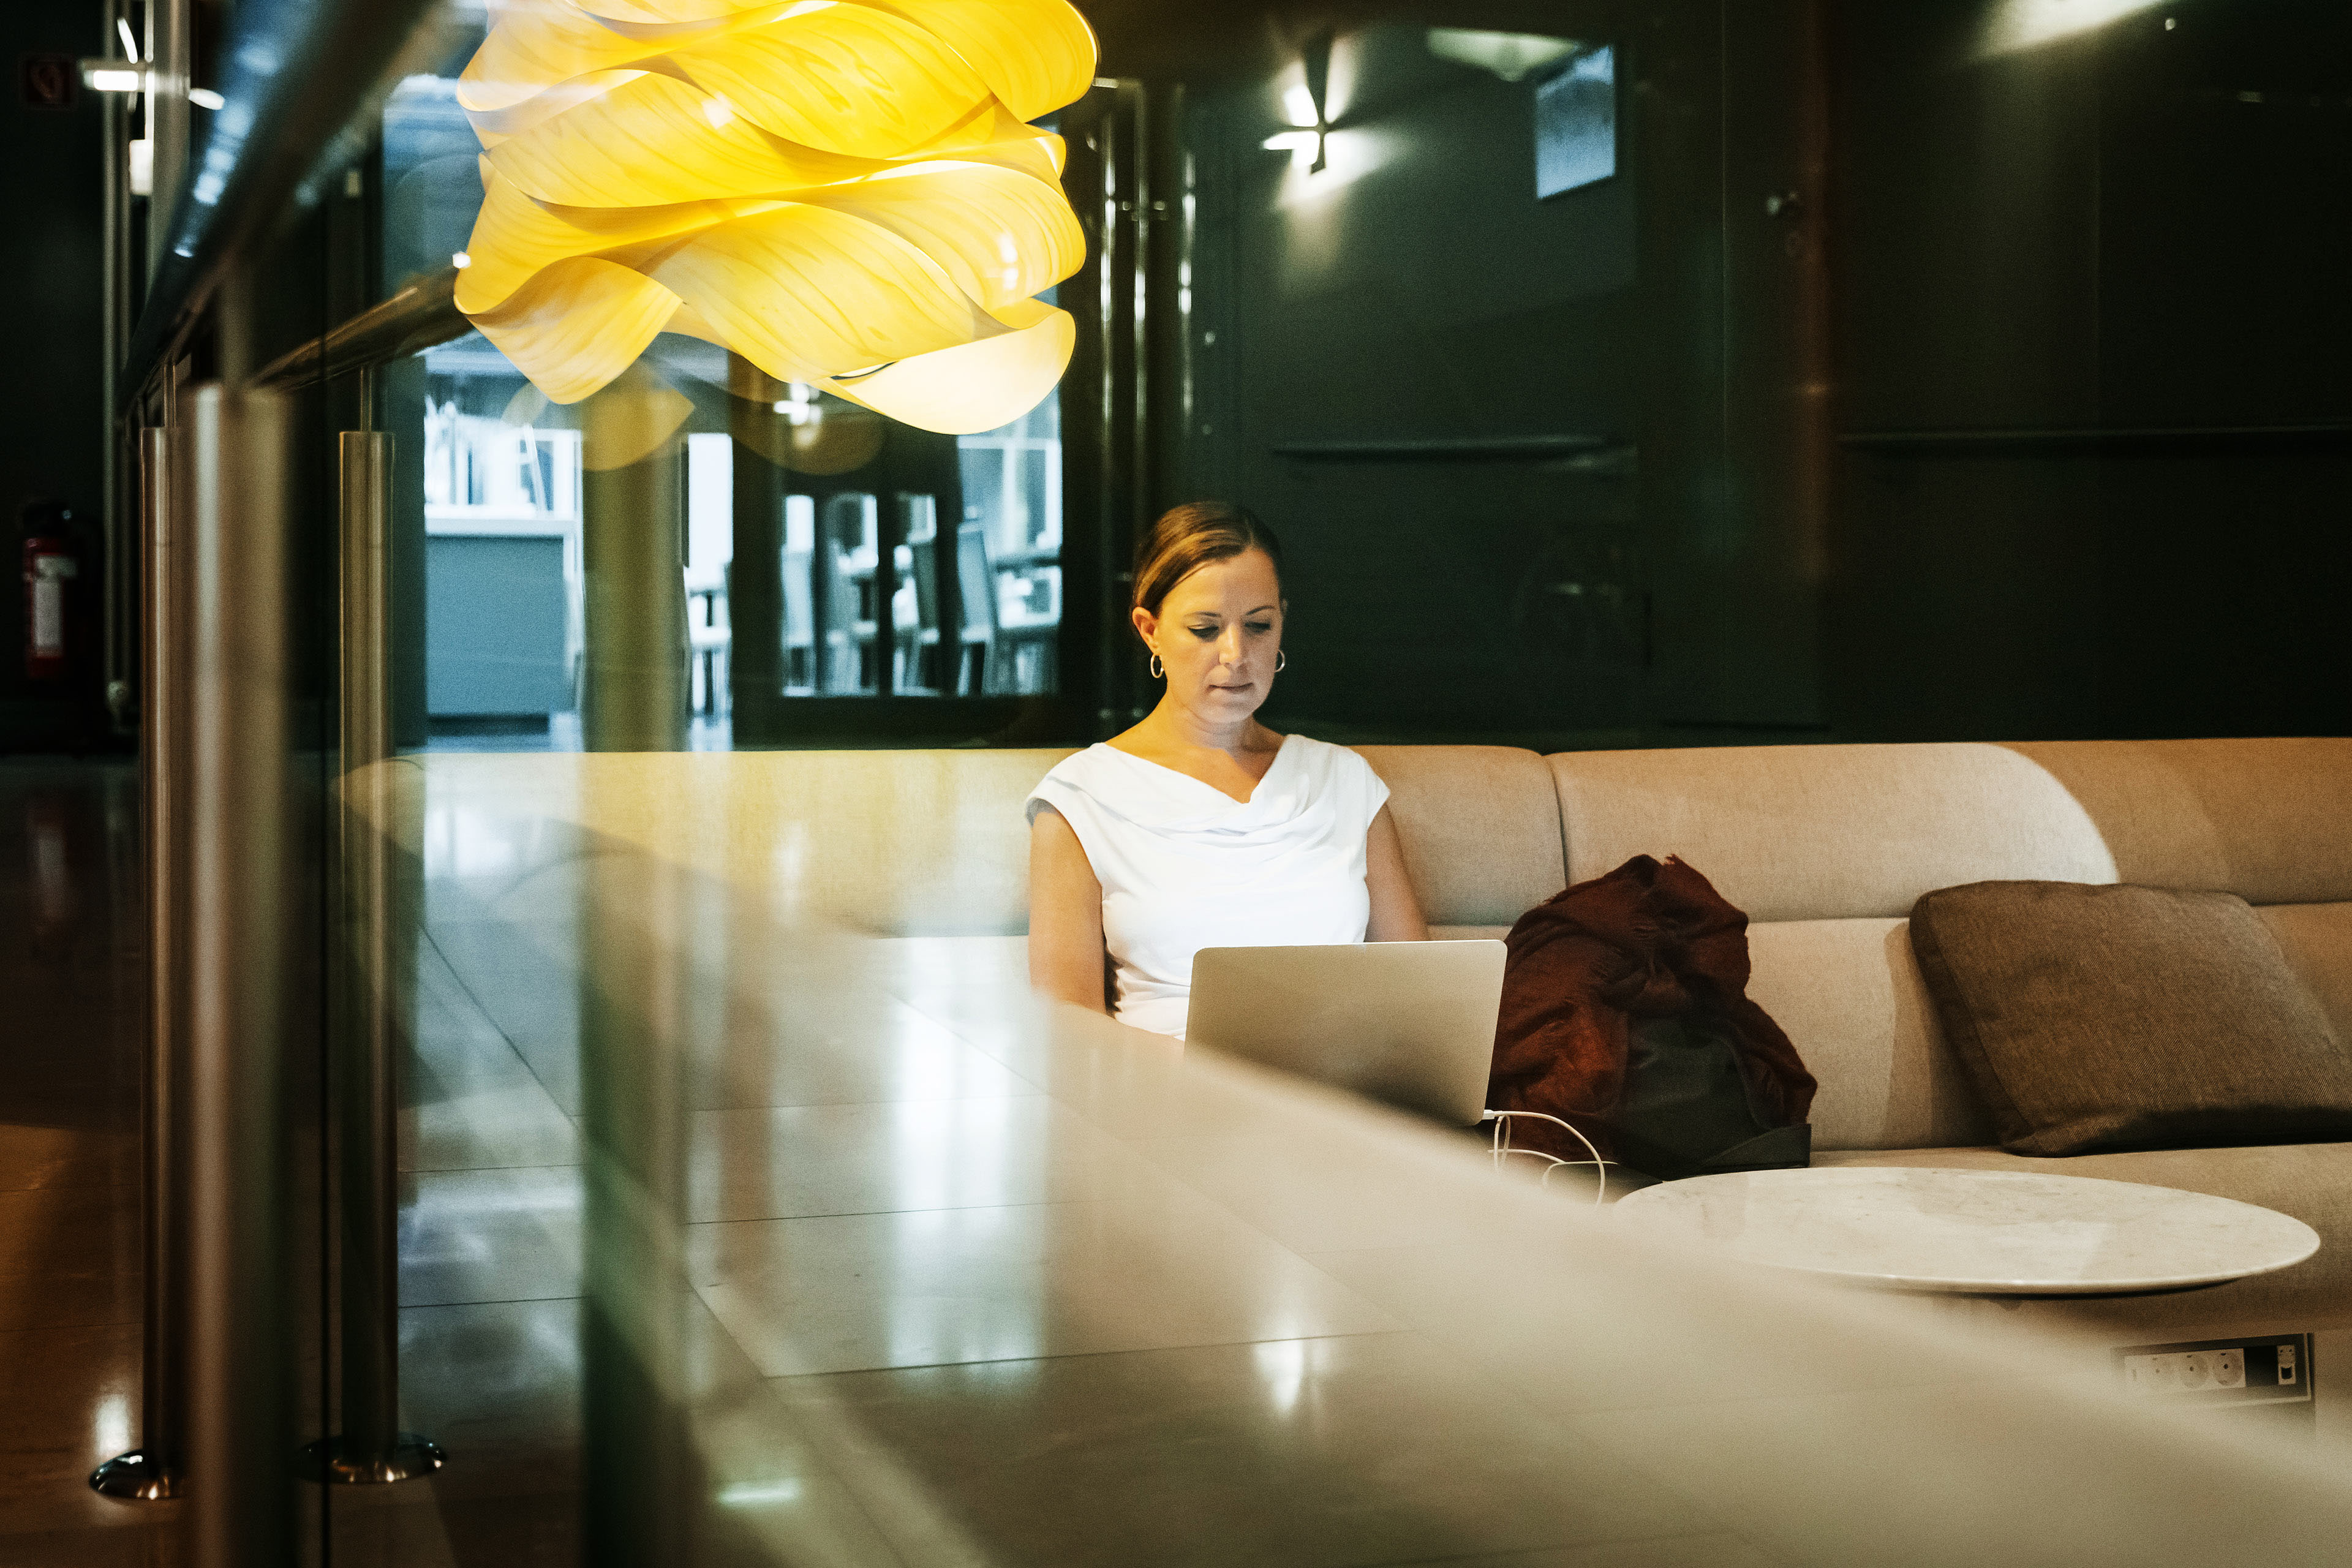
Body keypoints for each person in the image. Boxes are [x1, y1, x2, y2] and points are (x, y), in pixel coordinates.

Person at [1025, 501, 1427, 1036]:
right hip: (1168, 1096)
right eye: (1205, 629)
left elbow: (1422, 995)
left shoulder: (1342, 780)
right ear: (1150, 630)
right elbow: (1066, 1031)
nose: (1236, 655)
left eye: (1259, 626)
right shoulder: (1083, 797)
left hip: (1344, 1097)